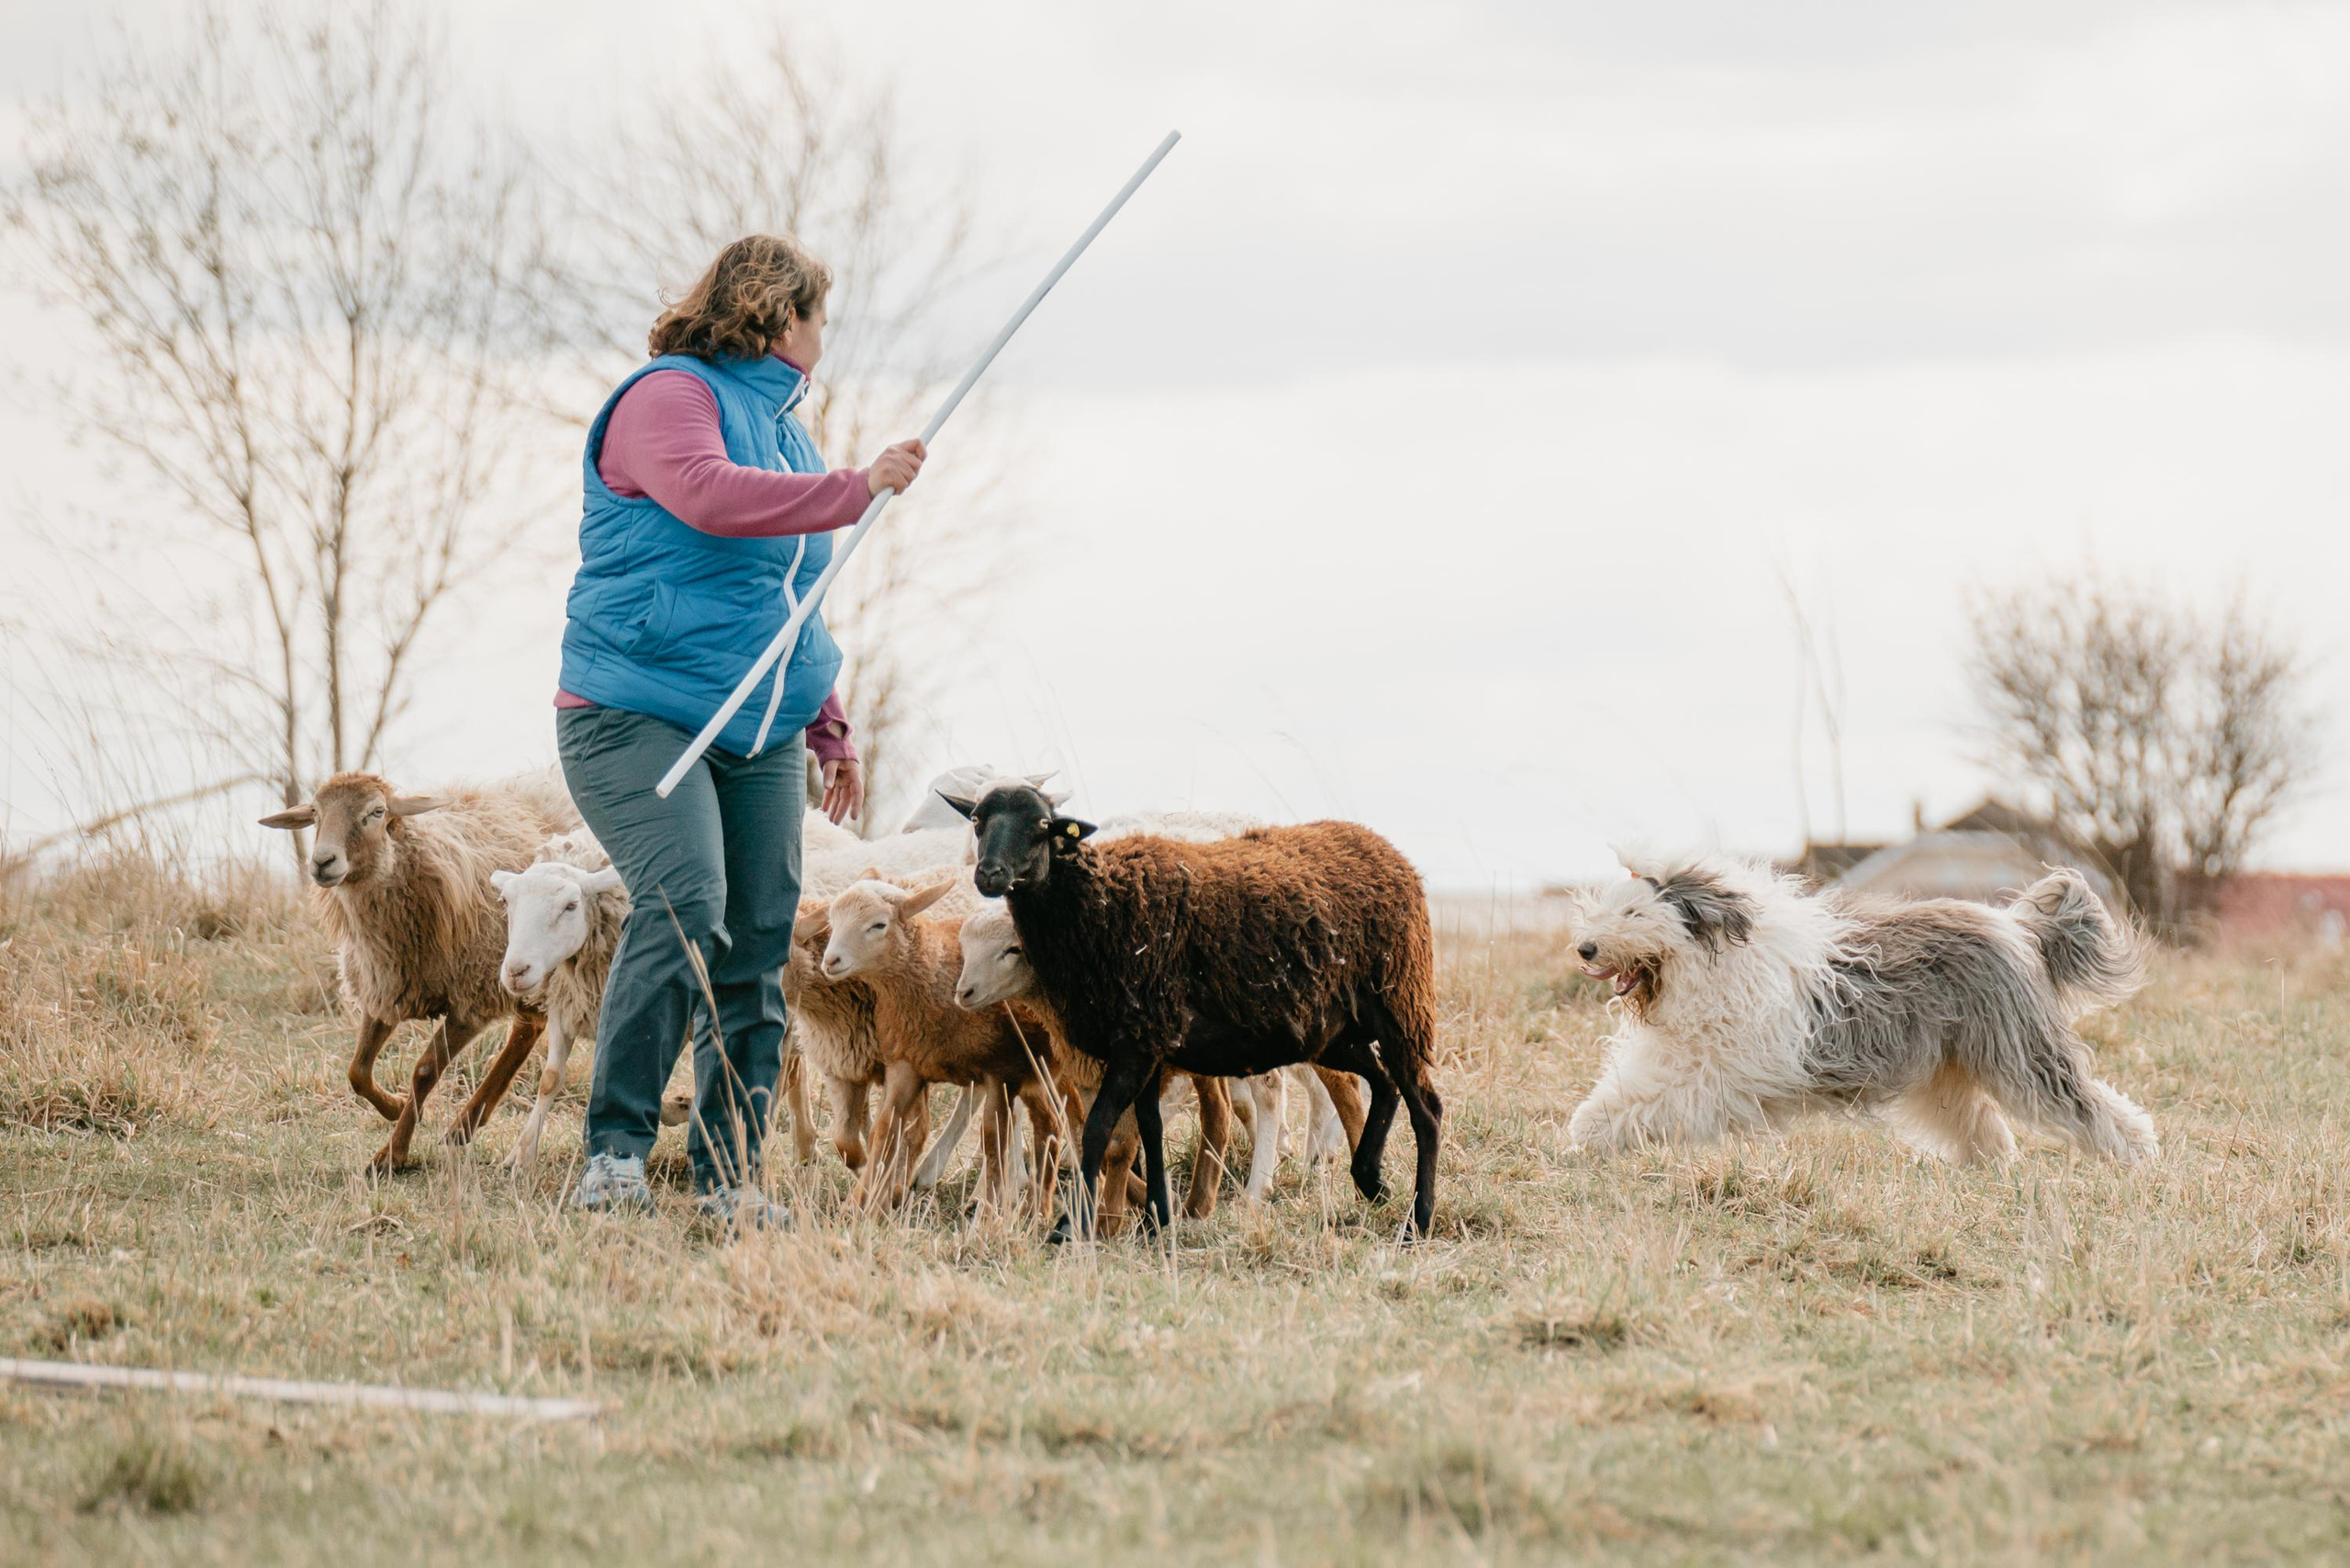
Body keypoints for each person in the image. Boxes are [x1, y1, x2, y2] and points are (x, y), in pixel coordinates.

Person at [553, 234, 924, 1224]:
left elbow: (797, 589)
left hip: (756, 731)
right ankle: (615, 1156)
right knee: (683, 901)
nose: (823, 338)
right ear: (775, 314)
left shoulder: (787, 432)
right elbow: (709, 498)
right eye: (817, 318)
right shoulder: (667, 397)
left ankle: (729, 1179)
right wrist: (857, 487)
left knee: (759, 942)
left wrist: (828, 719)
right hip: (633, 715)